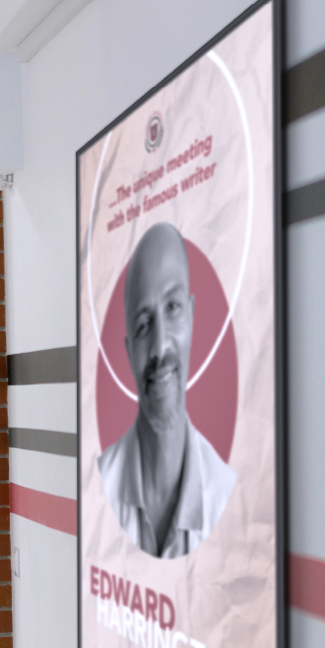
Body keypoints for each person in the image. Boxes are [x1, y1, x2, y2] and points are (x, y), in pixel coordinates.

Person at [99, 222, 236, 558]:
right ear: (129, 351)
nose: (160, 346)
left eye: (172, 309)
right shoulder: (100, 486)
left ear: (191, 316)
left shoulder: (227, 495)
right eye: (144, 324)